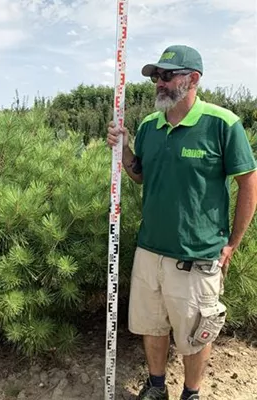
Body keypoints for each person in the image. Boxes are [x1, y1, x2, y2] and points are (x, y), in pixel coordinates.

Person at [107, 45, 257, 400]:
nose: (159, 82)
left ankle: (191, 393)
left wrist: (232, 243)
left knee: (194, 335)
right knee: (152, 325)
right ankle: (157, 385)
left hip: (196, 254)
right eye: (156, 76)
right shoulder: (149, 125)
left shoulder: (222, 124)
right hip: (149, 251)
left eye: (167, 75)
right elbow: (141, 175)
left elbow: (248, 181)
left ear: (192, 79)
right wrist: (125, 150)